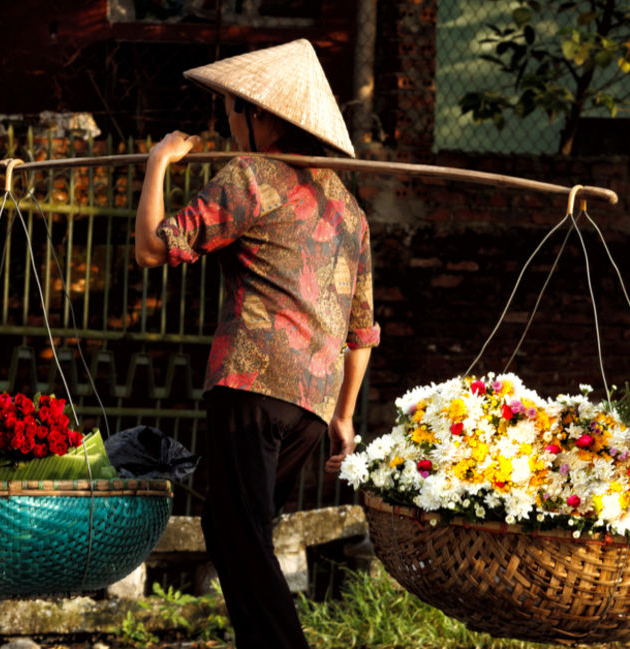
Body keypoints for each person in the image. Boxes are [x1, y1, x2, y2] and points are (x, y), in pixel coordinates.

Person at [133, 39, 380, 649]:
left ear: (260, 114)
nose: (225, 122)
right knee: (233, 530)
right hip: (311, 407)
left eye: (230, 109)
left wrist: (158, 164)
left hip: (253, 384)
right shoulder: (349, 208)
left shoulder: (251, 176)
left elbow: (152, 249)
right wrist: (344, 416)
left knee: (240, 539)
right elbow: (362, 330)